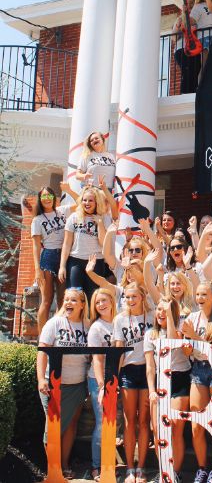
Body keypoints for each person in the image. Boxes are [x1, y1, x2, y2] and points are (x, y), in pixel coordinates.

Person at [181, 281, 212, 483]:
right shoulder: (192, 317)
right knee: (196, 424)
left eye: (204, 294)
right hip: (199, 369)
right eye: (198, 294)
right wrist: (189, 342)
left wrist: (194, 338)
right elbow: (187, 350)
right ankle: (202, 468)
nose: (200, 298)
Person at [37, 288, 89, 480]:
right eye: (66, 299)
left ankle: (64, 464)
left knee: (70, 425)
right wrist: (41, 379)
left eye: (73, 300)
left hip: (78, 385)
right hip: (54, 386)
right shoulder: (54, 323)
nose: (69, 303)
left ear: (82, 304)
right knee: (52, 429)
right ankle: (53, 470)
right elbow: (42, 352)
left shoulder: (88, 325)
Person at [145, 297, 190, 482]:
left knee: (174, 430)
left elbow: (172, 341)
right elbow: (149, 366)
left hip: (179, 378)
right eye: (159, 309)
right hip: (159, 381)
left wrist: (171, 316)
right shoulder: (150, 334)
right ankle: (164, 471)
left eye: (166, 310)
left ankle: (175, 473)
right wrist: (151, 390)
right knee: (157, 431)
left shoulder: (180, 328)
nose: (161, 313)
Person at [113, 283, 154, 483]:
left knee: (144, 421)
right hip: (129, 371)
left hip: (148, 371)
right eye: (127, 297)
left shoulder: (153, 316)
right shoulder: (120, 319)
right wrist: (113, 378)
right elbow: (119, 350)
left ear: (142, 297)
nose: (130, 301)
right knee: (130, 421)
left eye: (134, 296)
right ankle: (130, 468)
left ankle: (142, 467)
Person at [58, 186, 111, 300]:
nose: (87, 203)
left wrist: (100, 224)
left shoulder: (104, 218)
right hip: (75, 261)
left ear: (97, 202)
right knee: (74, 297)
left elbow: (103, 243)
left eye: (90, 200)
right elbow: (67, 244)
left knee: (93, 298)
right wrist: (62, 266)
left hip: (96, 262)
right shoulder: (73, 217)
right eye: (84, 200)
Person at [32, 186, 71, 332]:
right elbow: (36, 246)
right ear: (40, 200)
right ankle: (42, 340)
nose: (47, 199)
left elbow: (80, 203)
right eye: (43, 196)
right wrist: (37, 270)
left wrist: (68, 189)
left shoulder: (63, 211)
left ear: (54, 198)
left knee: (62, 300)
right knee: (47, 301)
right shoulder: (37, 220)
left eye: (49, 196)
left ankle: (58, 335)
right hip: (48, 257)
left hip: (64, 257)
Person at [87, 288, 116, 482]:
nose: (101, 305)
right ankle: (97, 465)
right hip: (99, 379)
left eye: (104, 300)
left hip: (118, 378)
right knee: (102, 423)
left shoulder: (121, 320)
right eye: (97, 302)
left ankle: (110, 464)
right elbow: (97, 360)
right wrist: (101, 385)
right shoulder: (96, 328)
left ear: (112, 301)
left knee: (113, 423)